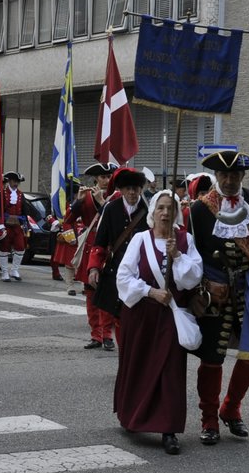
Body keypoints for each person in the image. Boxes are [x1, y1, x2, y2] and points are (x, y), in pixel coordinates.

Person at [185, 150, 249, 445]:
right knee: (212, 358)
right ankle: (209, 419)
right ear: (216, 177)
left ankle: (231, 408)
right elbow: (194, 255)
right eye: (223, 175)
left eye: (234, 175)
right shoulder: (199, 210)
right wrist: (198, 287)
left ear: (243, 177)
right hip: (215, 290)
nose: (229, 181)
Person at [114, 191, 204, 455]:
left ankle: (169, 430)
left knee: (170, 372)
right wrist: (151, 292)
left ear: (177, 212)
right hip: (142, 315)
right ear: (153, 213)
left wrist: (177, 255)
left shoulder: (185, 240)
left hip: (171, 317)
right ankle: (133, 417)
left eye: (170, 208)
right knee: (138, 367)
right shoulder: (141, 239)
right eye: (160, 208)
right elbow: (123, 276)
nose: (165, 213)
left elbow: (193, 279)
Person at [83, 167, 149, 352]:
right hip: (116, 270)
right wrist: (94, 268)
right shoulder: (111, 209)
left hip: (141, 272)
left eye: (136, 188)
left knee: (137, 317)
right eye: (128, 188)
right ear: (121, 189)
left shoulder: (148, 210)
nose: (132, 192)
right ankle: (124, 358)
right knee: (118, 316)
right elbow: (100, 243)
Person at [58, 162, 110, 314]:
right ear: (96, 178)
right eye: (103, 177)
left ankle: (106, 326)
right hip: (91, 244)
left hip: (109, 243)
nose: (106, 180)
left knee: (108, 284)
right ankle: (95, 328)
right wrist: (77, 202)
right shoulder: (85, 196)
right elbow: (68, 219)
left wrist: (102, 202)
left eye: (109, 176)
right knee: (90, 286)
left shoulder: (116, 196)